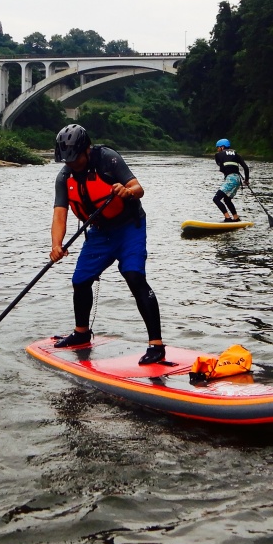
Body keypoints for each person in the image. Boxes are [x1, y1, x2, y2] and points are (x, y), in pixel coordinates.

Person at [49, 123, 166, 365]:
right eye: (67, 161)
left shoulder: (108, 159)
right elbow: (60, 213)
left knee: (134, 276)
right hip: (99, 232)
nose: (72, 165)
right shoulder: (64, 176)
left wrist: (126, 191)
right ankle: (81, 334)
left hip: (129, 227)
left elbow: (138, 188)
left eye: (76, 160)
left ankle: (156, 346)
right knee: (80, 281)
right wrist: (56, 245)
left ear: (87, 150)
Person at [213, 138, 250, 222]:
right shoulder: (236, 154)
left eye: (218, 148)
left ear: (222, 147)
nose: (217, 150)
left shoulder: (218, 155)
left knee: (216, 199)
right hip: (237, 179)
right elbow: (246, 168)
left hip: (231, 179)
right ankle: (236, 218)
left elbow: (221, 167)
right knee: (227, 199)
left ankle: (227, 218)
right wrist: (246, 180)